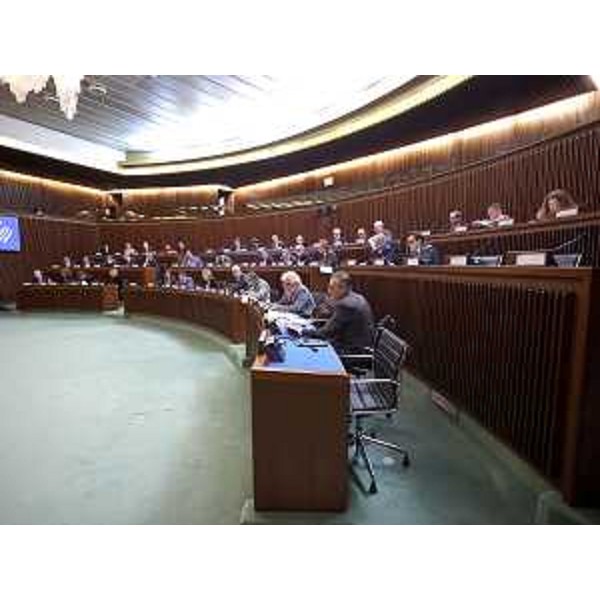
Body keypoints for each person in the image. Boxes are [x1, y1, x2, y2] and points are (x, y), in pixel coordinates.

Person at [307, 270, 374, 353]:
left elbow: (326, 333)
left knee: (311, 351)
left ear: (342, 288)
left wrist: (302, 331)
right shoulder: (356, 297)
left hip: (352, 351)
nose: (329, 291)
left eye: (331, 288)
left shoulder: (346, 305)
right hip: (358, 345)